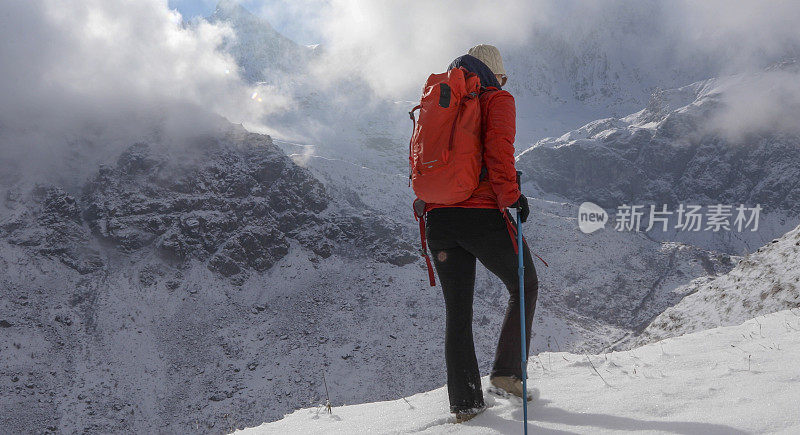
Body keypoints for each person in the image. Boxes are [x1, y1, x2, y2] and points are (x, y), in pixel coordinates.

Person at [421, 44, 539, 423]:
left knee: (458, 313)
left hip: (439, 221)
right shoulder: (495, 98)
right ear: (494, 74)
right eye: (503, 77)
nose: (504, 83)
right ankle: (506, 374)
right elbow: (499, 152)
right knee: (525, 285)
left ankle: (466, 406)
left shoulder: (443, 101)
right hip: (481, 216)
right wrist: (512, 197)